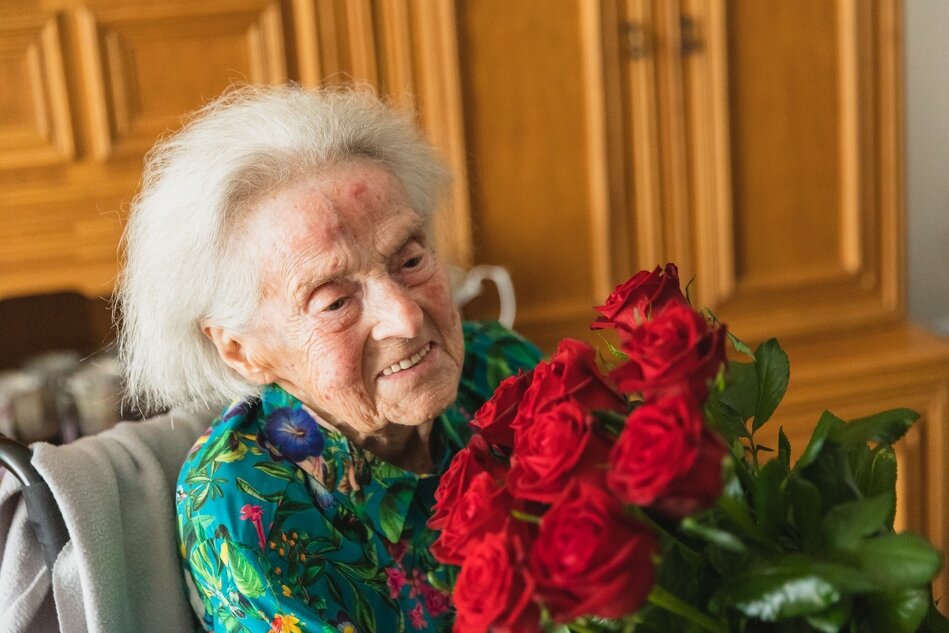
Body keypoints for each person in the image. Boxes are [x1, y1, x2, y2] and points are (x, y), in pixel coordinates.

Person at [116, 85, 542, 633]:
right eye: (335, 301)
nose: (406, 319)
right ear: (240, 349)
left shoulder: (498, 367)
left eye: (409, 259)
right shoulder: (246, 505)